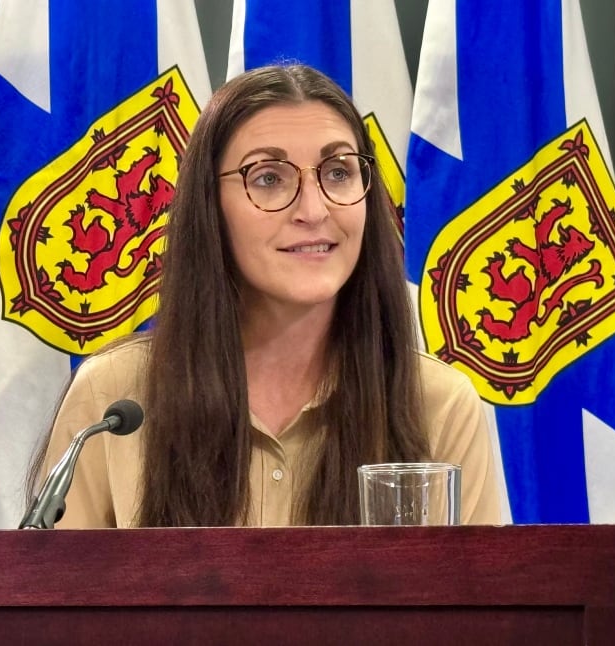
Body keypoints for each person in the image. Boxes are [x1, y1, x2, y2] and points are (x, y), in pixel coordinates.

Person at [30, 63, 501, 528]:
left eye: (338, 172)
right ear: (210, 208)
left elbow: (477, 604)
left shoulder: (438, 405)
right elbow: (56, 600)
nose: (314, 210)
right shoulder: (113, 399)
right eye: (269, 178)